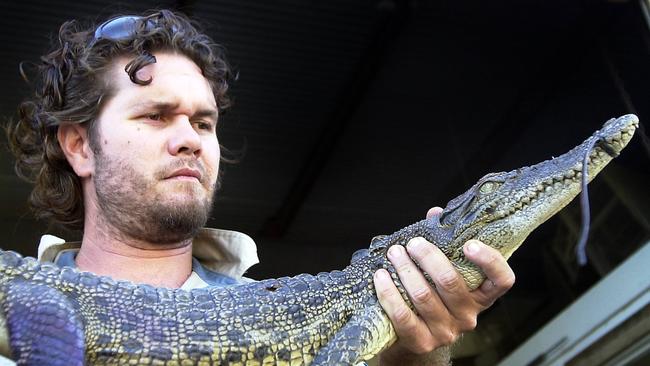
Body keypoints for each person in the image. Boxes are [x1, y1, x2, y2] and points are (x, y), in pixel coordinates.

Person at [4, 9, 515, 365]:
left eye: (204, 123)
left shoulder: (304, 322)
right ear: (79, 145)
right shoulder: (18, 310)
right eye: (156, 116)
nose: (189, 139)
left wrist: (413, 354)